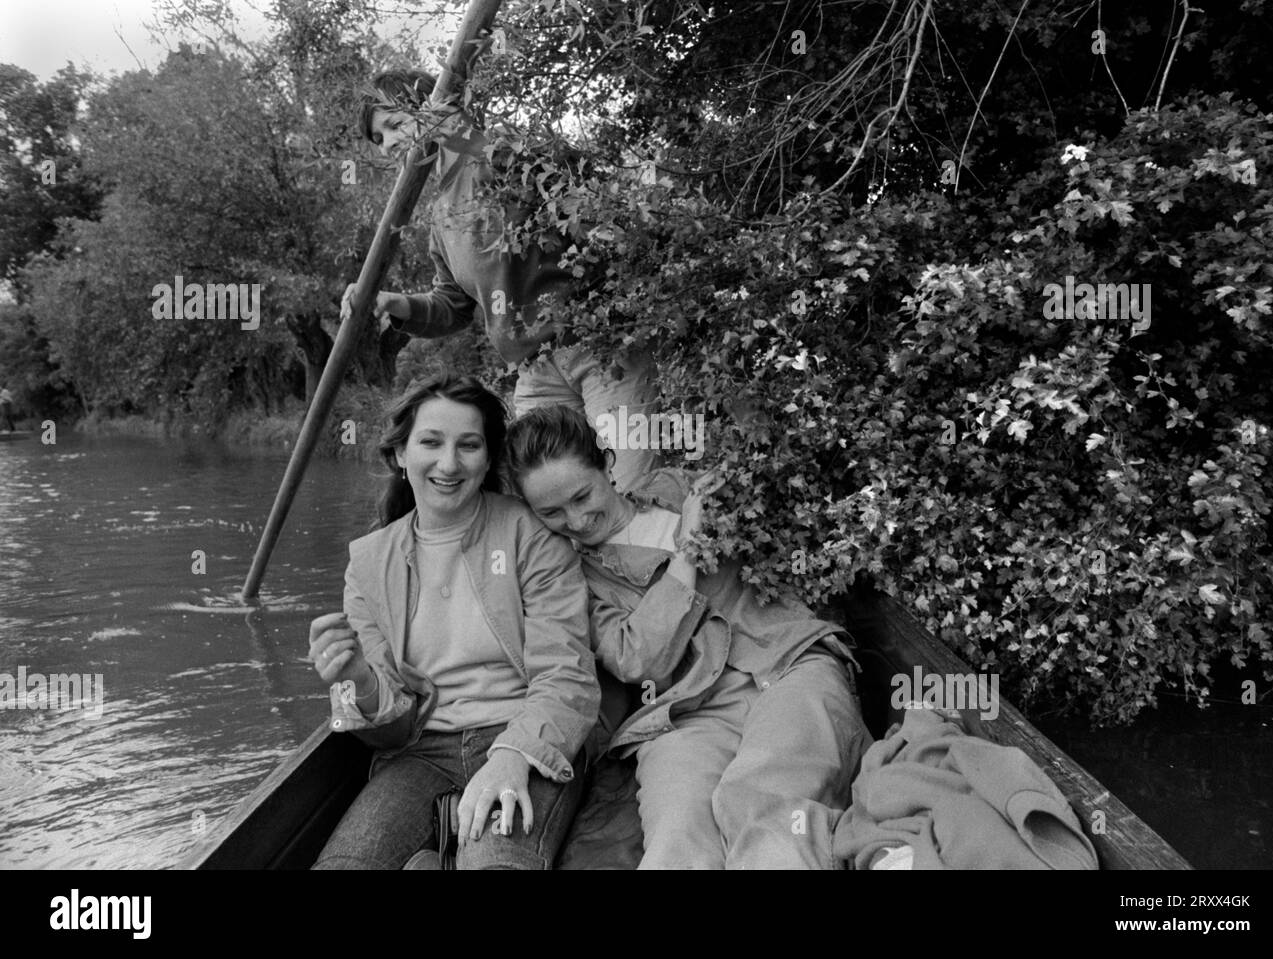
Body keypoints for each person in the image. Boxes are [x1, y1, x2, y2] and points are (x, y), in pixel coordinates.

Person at [505, 405, 870, 869]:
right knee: (676, 835)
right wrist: (688, 548)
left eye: (582, 496)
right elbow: (639, 660)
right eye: (551, 512)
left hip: (788, 665)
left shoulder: (678, 489)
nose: (576, 521)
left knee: (767, 796)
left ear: (606, 463)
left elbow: (783, 515)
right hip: (685, 711)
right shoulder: (575, 580)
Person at [308, 372, 600, 870]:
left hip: (524, 737)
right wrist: (357, 678)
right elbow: (392, 730)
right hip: (420, 753)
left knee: (494, 864)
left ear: (487, 459)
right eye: (430, 442)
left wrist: (512, 756)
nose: (449, 463)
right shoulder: (369, 562)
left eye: (469, 445)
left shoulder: (530, 534)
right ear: (401, 454)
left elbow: (567, 675)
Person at [340, 69, 661, 489]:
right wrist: (394, 303)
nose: (390, 145)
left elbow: (576, 194)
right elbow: (452, 305)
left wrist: (465, 135)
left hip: (599, 349)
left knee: (627, 489)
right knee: (542, 506)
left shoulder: (499, 150)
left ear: (430, 108)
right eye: (379, 140)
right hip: (535, 373)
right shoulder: (440, 214)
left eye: (396, 125)